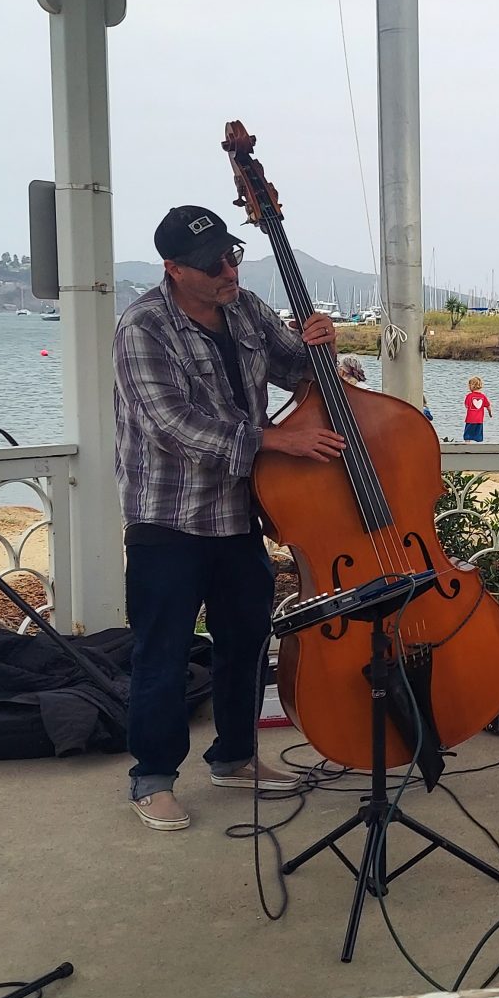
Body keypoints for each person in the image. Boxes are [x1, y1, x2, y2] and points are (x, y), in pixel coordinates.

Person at [113, 204, 343, 831]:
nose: (227, 269)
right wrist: (276, 441)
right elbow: (171, 423)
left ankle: (235, 756)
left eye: (231, 255)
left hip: (243, 510)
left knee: (245, 641)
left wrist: (319, 346)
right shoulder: (144, 325)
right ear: (173, 269)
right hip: (170, 516)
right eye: (212, 263)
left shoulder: (244, 307)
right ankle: (152, 778)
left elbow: (294, 366)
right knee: (161, 651)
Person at [461, 375, 492, 442]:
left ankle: (467, 444)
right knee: (478, 435)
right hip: (479, 419)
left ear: (471, 386)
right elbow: (488, 406)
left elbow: (466, 405)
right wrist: (490, 414)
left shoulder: (469, 396)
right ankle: (478, 446)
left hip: (470, 419)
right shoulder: (483, 396)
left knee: (468, 434)